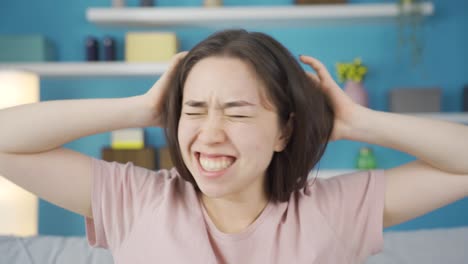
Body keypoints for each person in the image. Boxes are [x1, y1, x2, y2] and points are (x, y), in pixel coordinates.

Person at [0, 29, 467, 264]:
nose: (210, 132)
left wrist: (357, 122)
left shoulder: (333, 211)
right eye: (194, 109)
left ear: (284, 131)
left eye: (238, 112)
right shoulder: (135, 199)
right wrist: (140, 109)